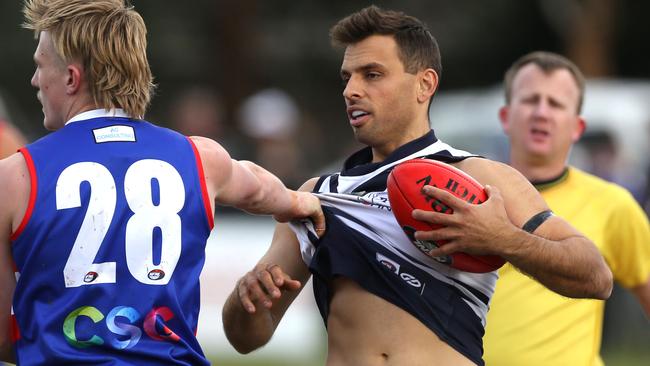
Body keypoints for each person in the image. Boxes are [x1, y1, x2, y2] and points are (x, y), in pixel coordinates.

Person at [222, 6, 613, 366]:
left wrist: (502, 238)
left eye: (372, 75)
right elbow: (246, 338)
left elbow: (595, 276)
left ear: (424, 84)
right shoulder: (315, 196)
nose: (351, 90)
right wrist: (247, 302)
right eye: (347, 77)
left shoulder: (482, 178)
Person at [0, 0, 324, 364]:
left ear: (72, 78)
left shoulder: (14, 176)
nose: (34, 81)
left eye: (39, 67)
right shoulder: (200, 158)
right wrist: (300, 203)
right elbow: (260, 188)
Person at [483, 51, 650, 366]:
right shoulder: (470, 195)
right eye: (531, 100)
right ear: (506, 116)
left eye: (556, 104)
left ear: (577, 126)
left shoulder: (612, 204)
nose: (541, 113)